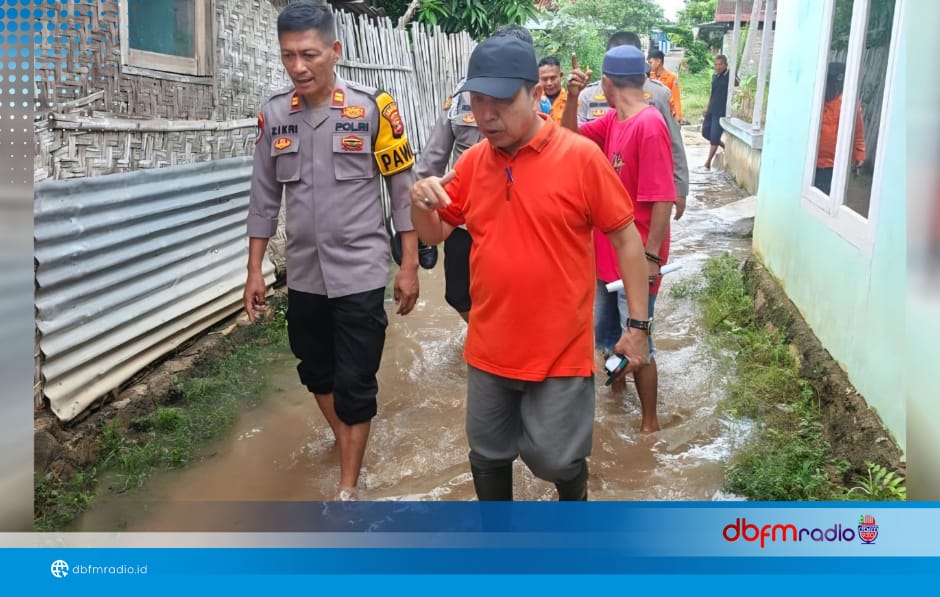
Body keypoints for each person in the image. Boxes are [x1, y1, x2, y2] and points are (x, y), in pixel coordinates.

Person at [410, 35, 651, 501]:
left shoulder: (580, 157)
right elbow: (434, 234)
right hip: (489, 346)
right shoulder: (474, 162)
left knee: (555, 458)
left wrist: (637, 324)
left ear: (536, 94)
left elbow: (625, 237)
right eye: (477, 102)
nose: (485, 115)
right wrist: (420, 201)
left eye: (500, 102)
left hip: (559, 349)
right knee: (487, 453)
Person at [243, 1, 420, 501]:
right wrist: (255, 269)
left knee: (356, 381)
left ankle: (347, 487)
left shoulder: (373, 109)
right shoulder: (275, 115)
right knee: (315, 369)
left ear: (335, 51)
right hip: (303, 276)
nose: (298, 67)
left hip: (361, 273)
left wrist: (408, 265)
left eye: (309, 54)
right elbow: (263, 198)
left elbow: (401, 192)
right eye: (288, 56)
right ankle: (348, 439)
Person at [563, 45, 675, 433]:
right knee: (608, 335)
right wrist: (573, 97)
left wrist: (650, 256)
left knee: (639, 337)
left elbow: (663, 197)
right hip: (604, 253)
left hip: (637, 256)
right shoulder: (614, 121)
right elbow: (568, 136)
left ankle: (649, 423)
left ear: (607, 83)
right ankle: (617, 395)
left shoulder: (649, 124)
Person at [414, 24, 534, 323]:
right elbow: (433, 159)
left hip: (521, 215)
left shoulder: (532, 96)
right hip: (465, 217)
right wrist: (419, 213)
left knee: (523, 291)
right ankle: (486, 335)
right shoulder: (461, 96)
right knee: (458, 294)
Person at [577, 31, 689, 220]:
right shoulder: (587, 95)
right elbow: (575, 140)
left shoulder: (658, 95)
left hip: (641, 191)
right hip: (600, 190)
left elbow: (674, 142)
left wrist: (680, 188)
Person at [814, 63, 865, 194]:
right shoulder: (816, 101)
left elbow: (857, 132)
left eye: (836, 88)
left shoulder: (849, 104)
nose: (832, 91)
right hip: (813, 162)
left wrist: (859, 154)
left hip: (835, 164)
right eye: (829, 86)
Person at [703, 54, 730, 171]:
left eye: (721, 65)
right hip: (711, 110)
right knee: (705, 133)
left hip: (721, 111)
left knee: (714, 137)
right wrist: (707, 108)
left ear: (725, 65)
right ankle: (724, 146)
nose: (718, 67)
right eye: (716, 64)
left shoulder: (729, 76)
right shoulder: (715, 76)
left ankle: (708, 162)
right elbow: (712, 93)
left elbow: (738, 85)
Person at [647, 49, 683, 124]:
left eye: (651, 62)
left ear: (658, 62)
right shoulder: (650, 77)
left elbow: (676, 98)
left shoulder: (671, 78)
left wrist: (678, 118)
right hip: (651, 114)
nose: (649, 65)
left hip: (665, 114)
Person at [538, 56, 567, 124]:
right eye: (544, 79)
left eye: (553, 78)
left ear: (561, 76)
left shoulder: (572, 102)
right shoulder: (534, 102)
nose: (549, 83)